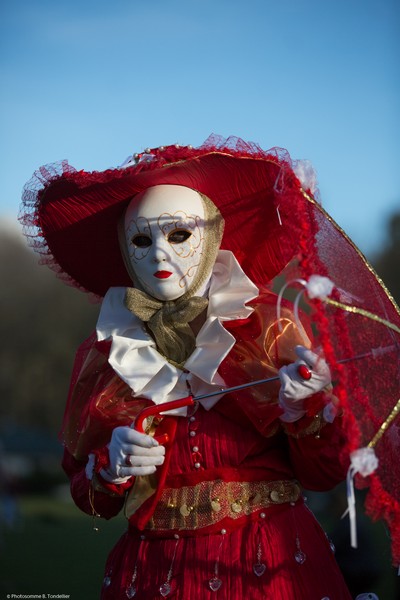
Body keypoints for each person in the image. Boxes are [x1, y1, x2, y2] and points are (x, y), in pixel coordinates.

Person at [21, 137, 354, 599]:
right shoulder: (112, 354)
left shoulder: (267, 330)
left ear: (212, 236)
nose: (159, 255)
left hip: (265, 566)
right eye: (142, 239)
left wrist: (305, 410)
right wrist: (111, 469)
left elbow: (324, 474)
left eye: (178, 234)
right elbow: (92, 499)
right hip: (154, 573)